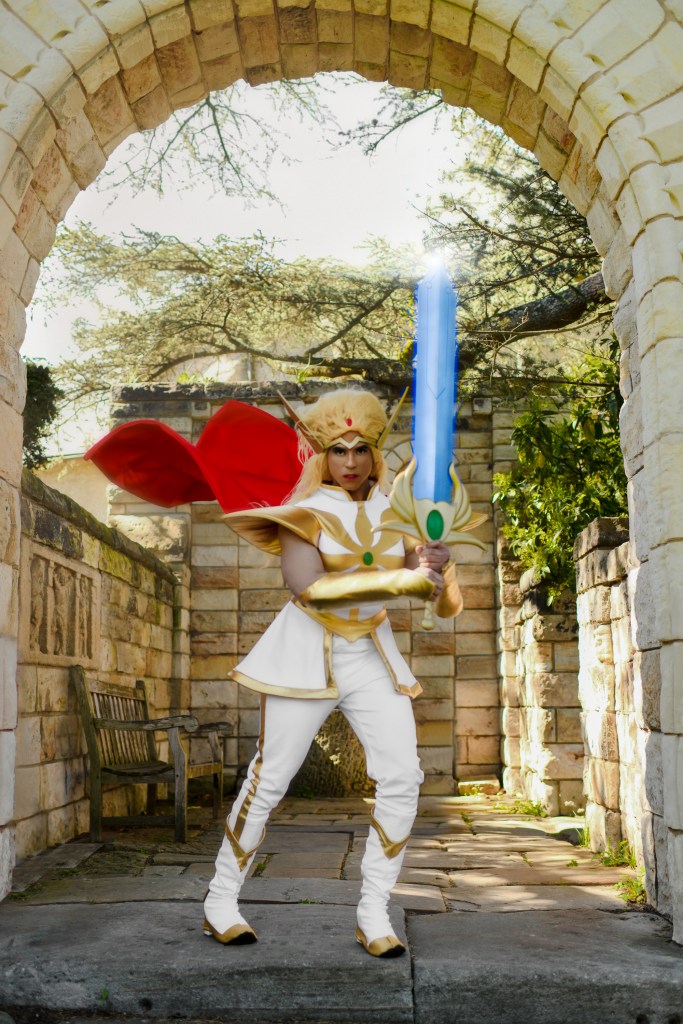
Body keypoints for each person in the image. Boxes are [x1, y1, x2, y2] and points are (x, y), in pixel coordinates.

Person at [203, 388, 463, 957]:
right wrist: (404, 579)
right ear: (322, 453)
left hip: (371, 654)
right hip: (305, 652)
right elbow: (310, 589)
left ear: (376, 452)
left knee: (403, 776)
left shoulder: (401, 511)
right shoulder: (302, 513)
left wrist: (440, 570)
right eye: (339, 450)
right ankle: (221, 900)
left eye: (361, 448)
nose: (350, 461)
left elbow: (445, 608)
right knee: (270, 779)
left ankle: (374, 911)